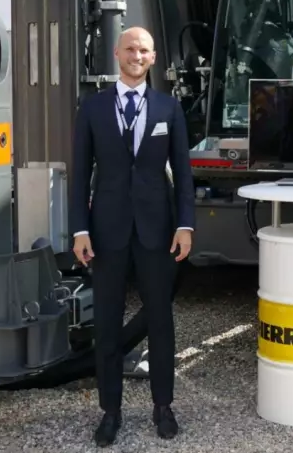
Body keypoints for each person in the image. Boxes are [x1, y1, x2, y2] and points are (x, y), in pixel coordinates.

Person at [69, 27, 196, 447]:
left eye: (143, 50)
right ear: (117, 55)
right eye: (129, 49)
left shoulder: (169, 108)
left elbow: (183, 173)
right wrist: (79, 229)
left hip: (158, 232)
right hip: (105, 232)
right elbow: (79, 174)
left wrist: (185, 224)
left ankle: (164, 406)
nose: (136, 55)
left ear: (153, 57)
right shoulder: (93, 108)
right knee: (106, 325)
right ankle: (111, 411)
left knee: (160, 321)